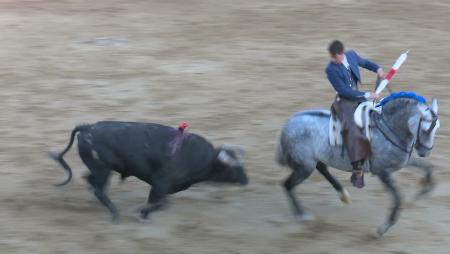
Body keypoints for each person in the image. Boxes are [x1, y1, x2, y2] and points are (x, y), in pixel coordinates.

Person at [325, 40, 385, 188]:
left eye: (335, 57)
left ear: (342, 54)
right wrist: (366, 95)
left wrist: (378, 69)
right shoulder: (331, 69)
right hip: (345, 102)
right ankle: (357, 169)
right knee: (350, 128)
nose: (333, 60)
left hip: (358, 97)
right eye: (332, 57)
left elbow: (365, 63)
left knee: (379, 113)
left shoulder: (351, 55)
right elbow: (344, 91)